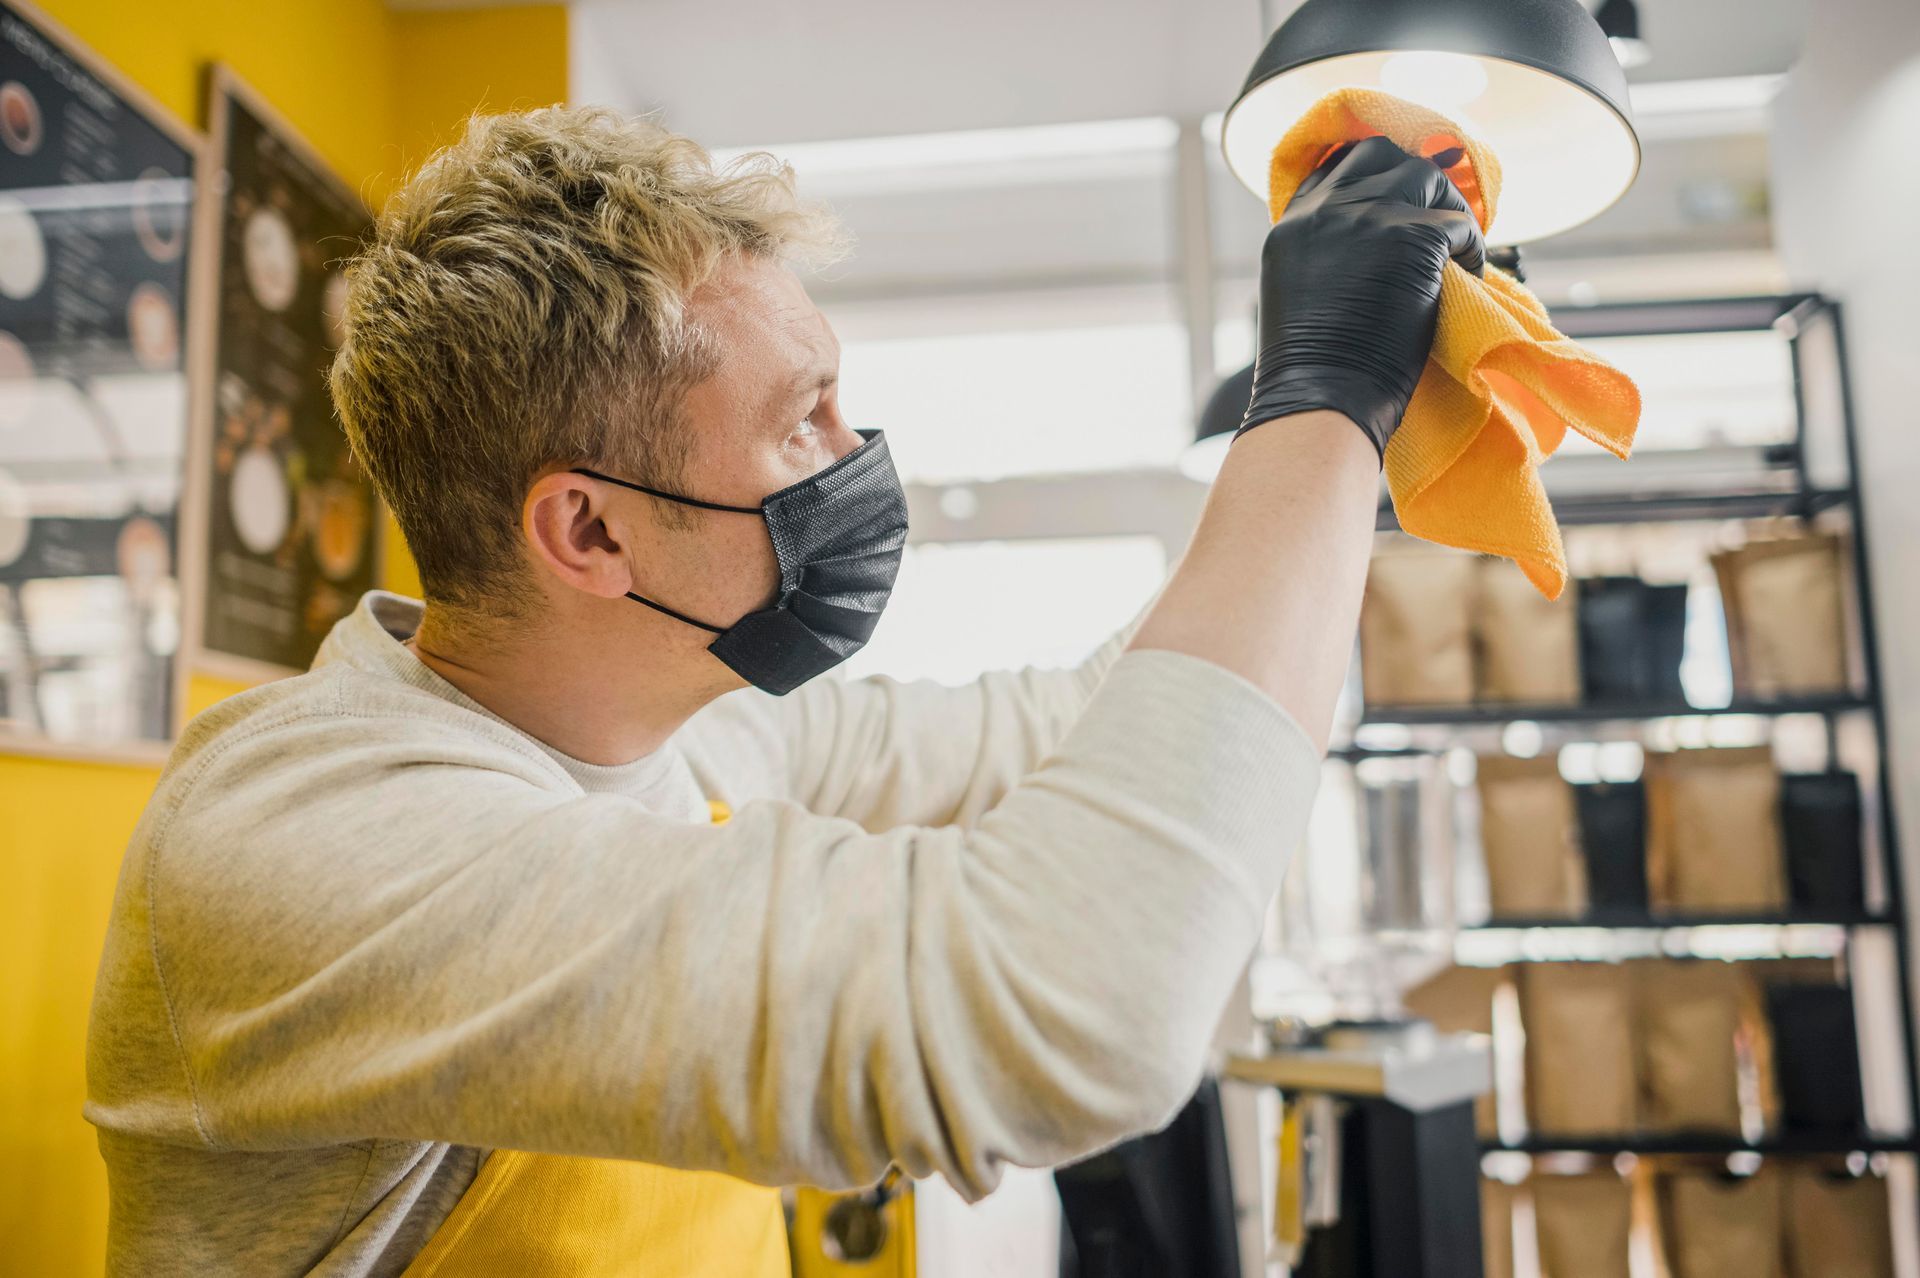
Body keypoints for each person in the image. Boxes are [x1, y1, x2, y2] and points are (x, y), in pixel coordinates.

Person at [84, 107, 1483, 1275]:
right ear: (590, 533)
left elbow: (1066, 724)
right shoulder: (311, 839)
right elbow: (1072, 1005)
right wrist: (1322, 397)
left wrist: (1348, 444)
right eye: (797, 419)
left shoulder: (705, 725)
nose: (856, 452)